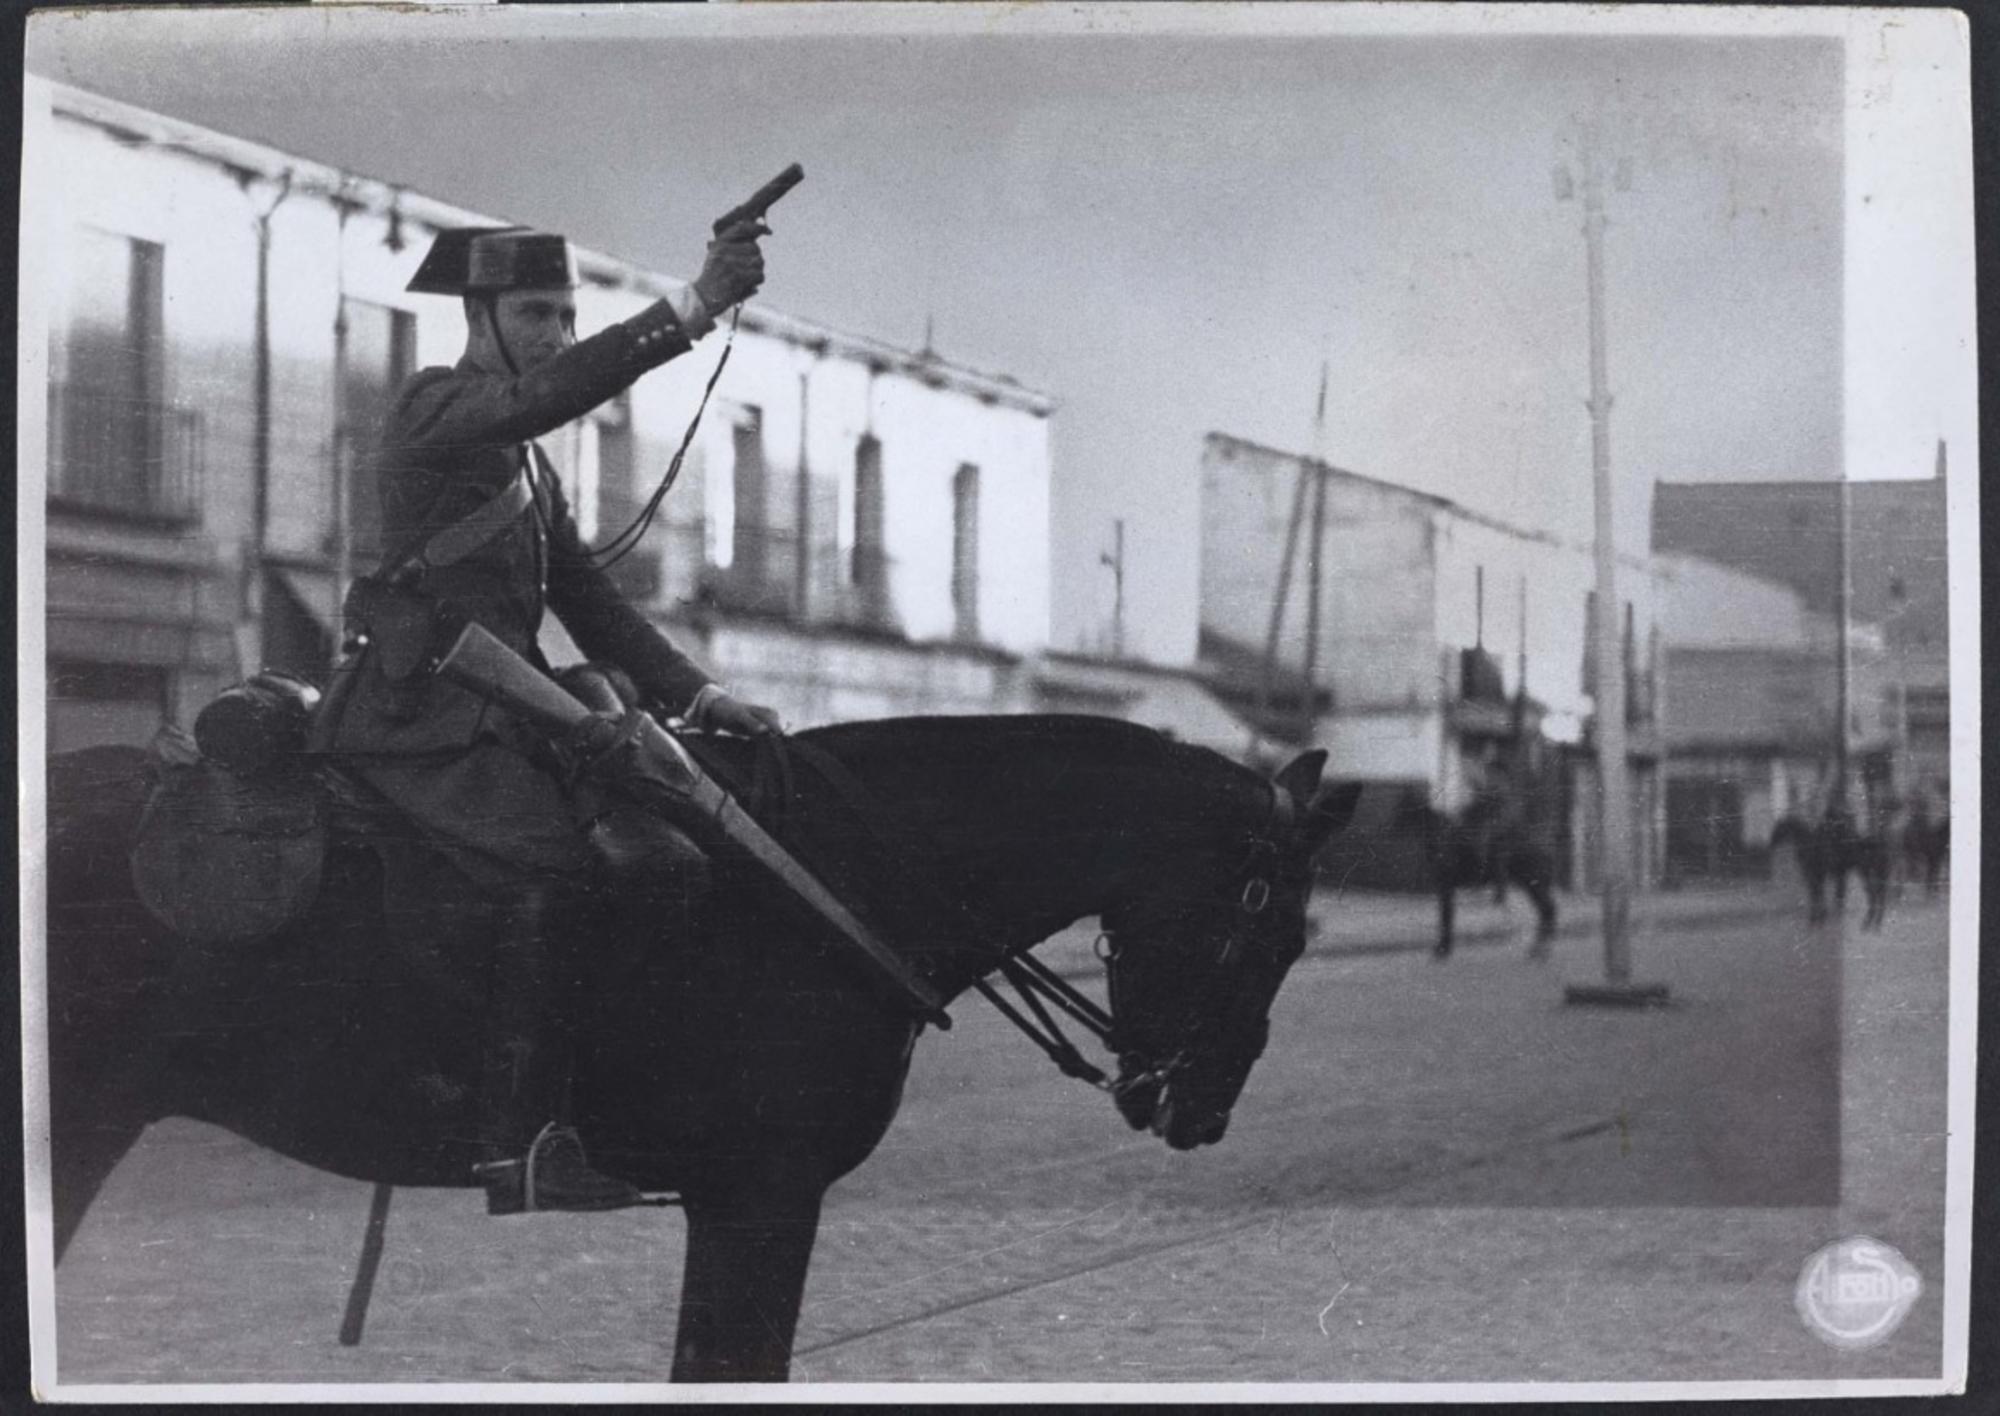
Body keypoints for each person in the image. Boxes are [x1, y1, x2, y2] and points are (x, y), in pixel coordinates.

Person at [323, 220, 783, 1214]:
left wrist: (700, 693)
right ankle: (514, 1145)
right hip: (420, 715)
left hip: (506, 704)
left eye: (566, 315)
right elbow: (549, 393)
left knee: (670, 846)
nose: (553, 331)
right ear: (479, 315)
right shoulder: (433, 404)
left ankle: (609, 1099)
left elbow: (592, 601)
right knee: (559, 865)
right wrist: (694, 305)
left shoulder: (527, 465)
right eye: (536, 313)